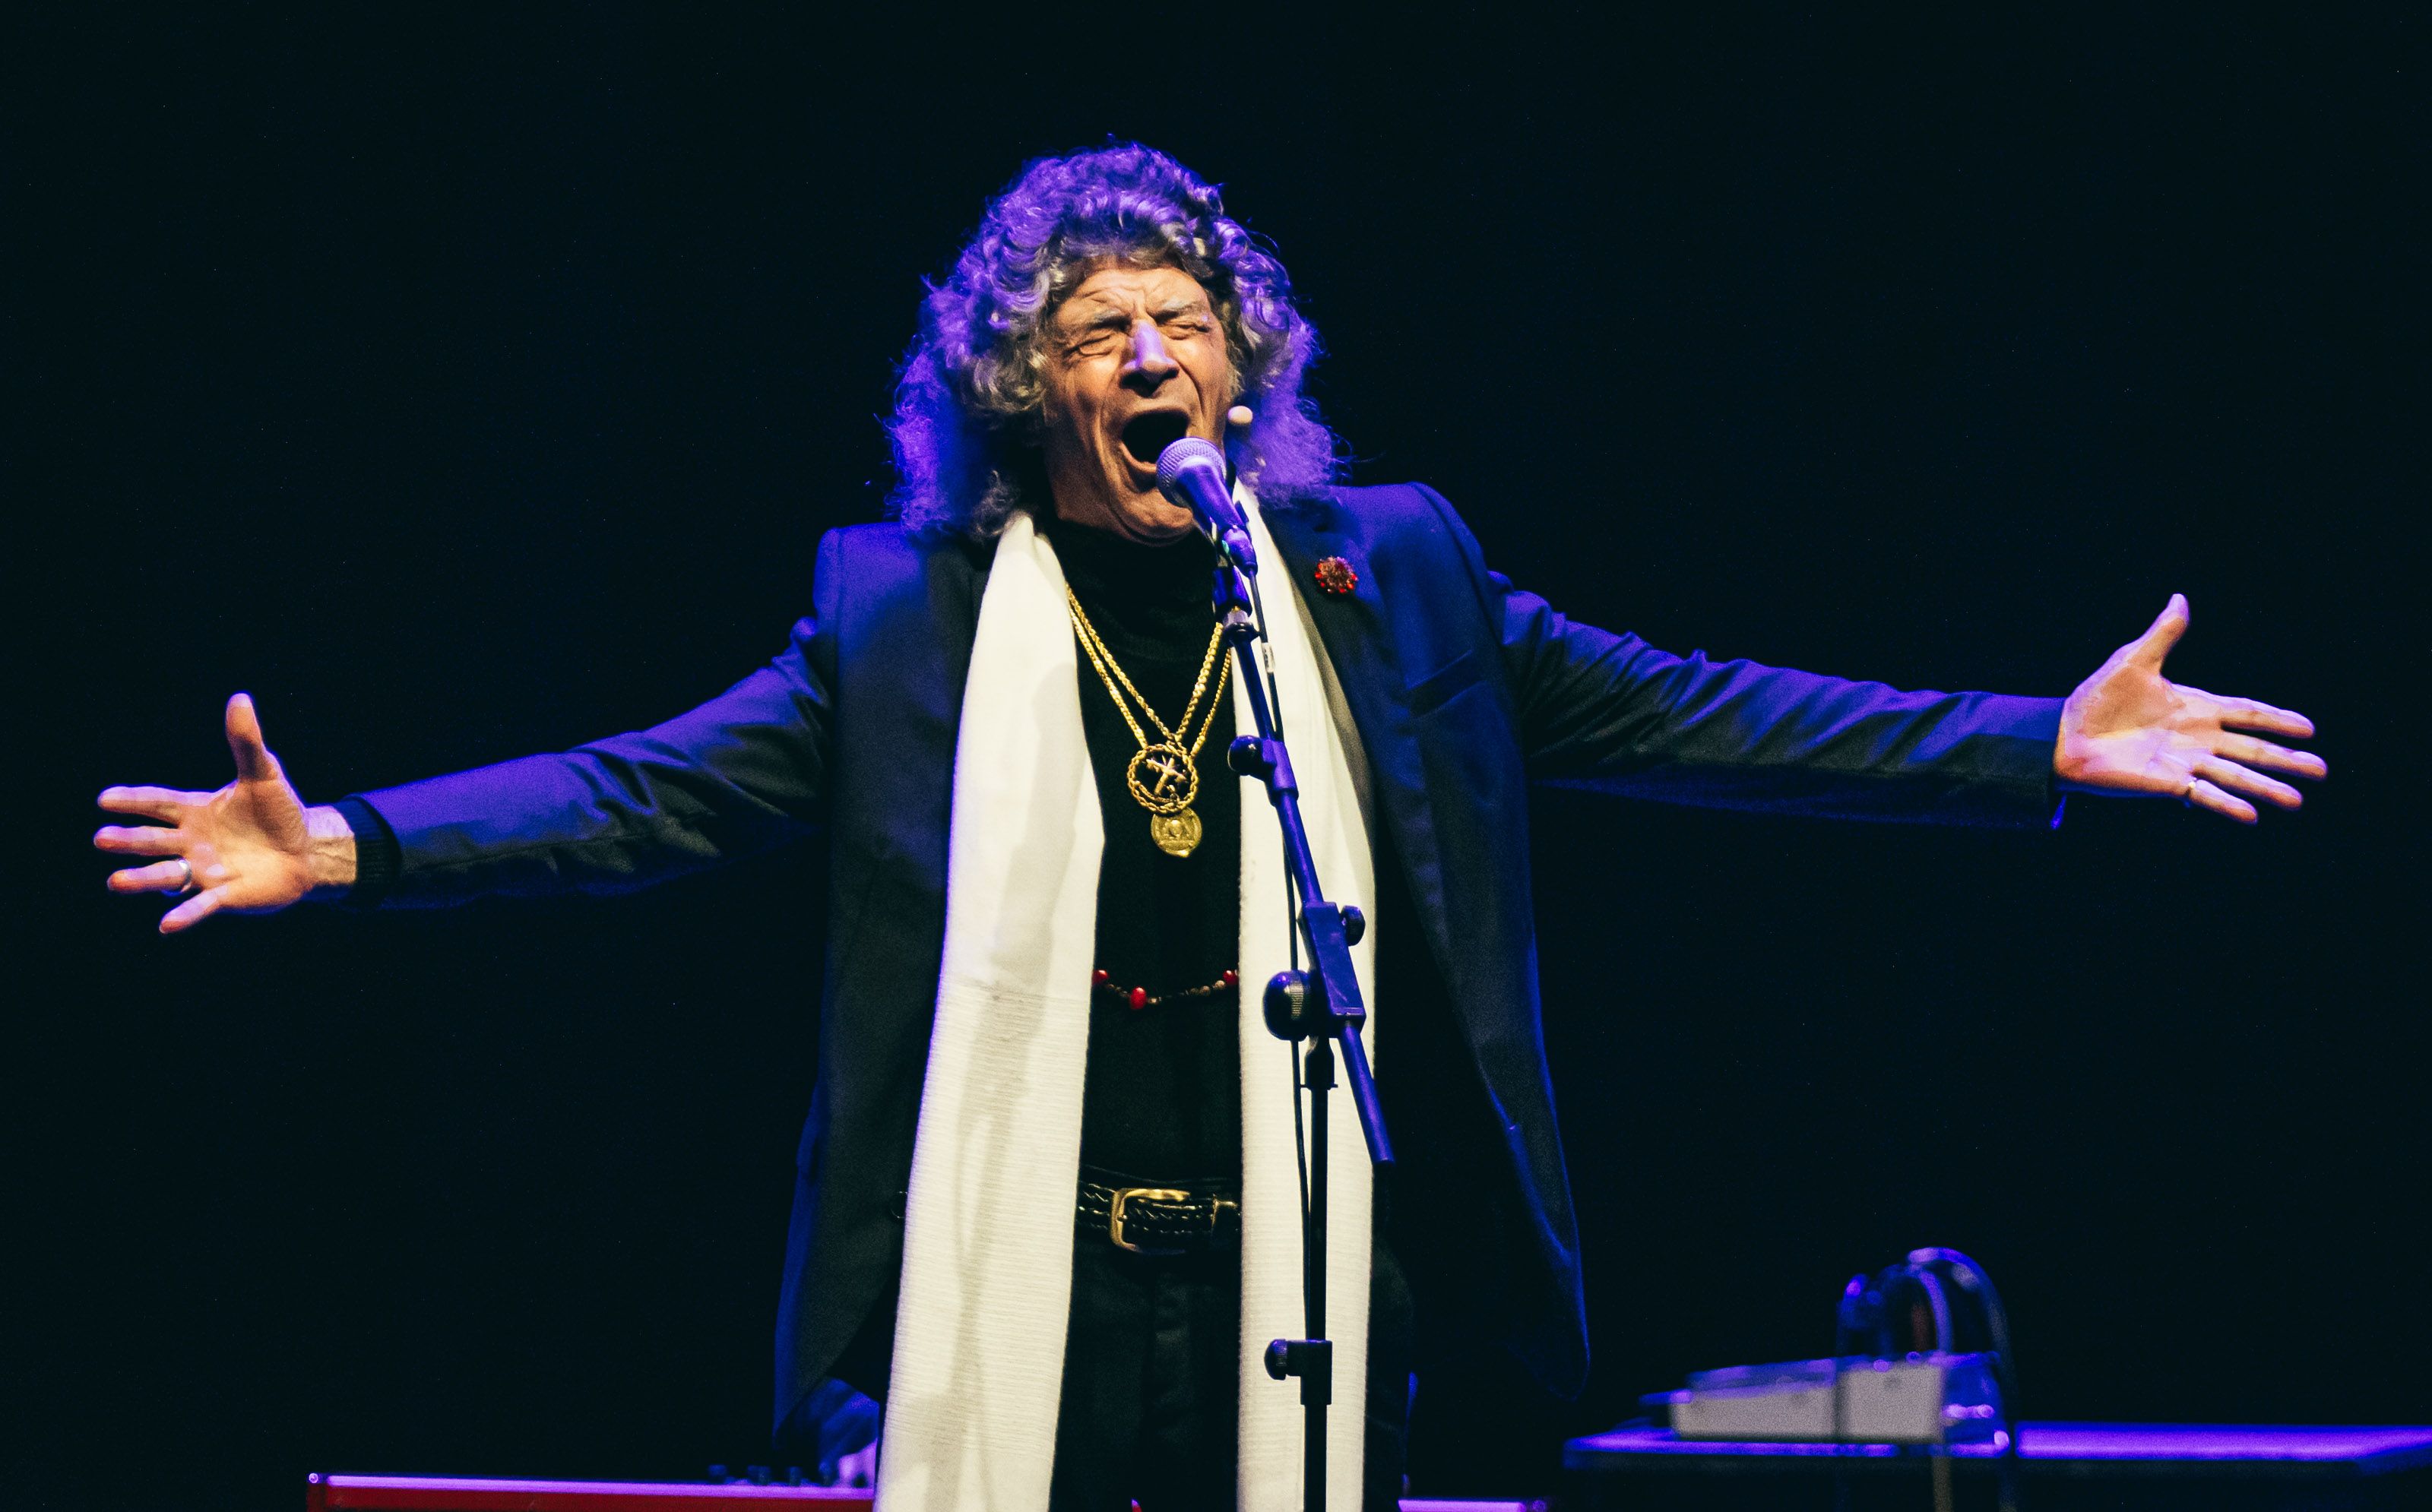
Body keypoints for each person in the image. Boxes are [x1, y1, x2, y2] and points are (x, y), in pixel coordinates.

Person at [91, 144, 2324, 1511]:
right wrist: (355, 840)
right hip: (1023, 1291)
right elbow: (637, 795)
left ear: (1241, 367)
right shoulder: (909, 622)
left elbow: (1703, 709)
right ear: (1021, 383)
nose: (1146, 345)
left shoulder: (1388, 575)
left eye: (1181, 316)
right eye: (1094, 325)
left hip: (1307, 1279)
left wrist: (2033, 736)